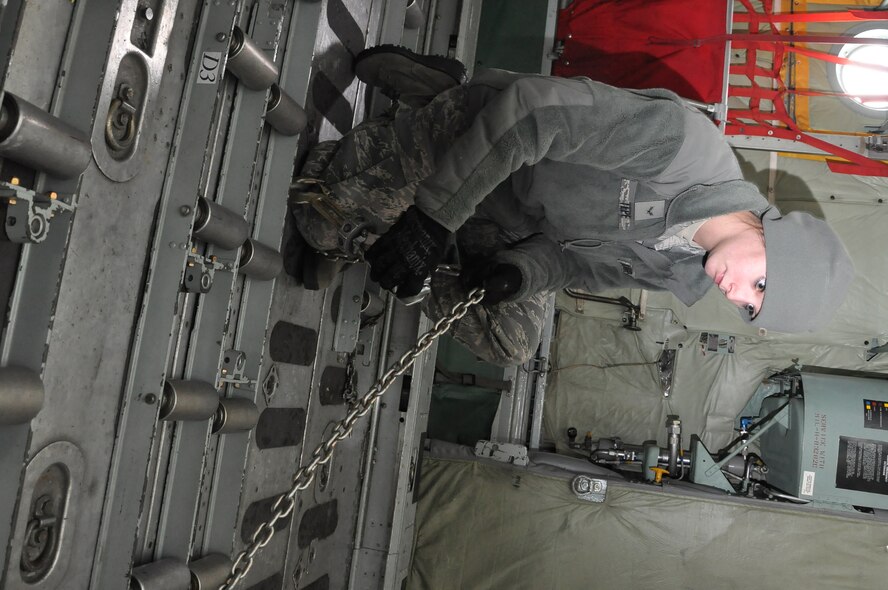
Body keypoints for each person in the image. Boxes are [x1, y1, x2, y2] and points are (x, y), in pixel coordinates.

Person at [288, 46, 855, 366]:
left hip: (501, 217)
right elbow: (534, 113)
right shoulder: (686, 149)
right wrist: (433, 216)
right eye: (761, 284)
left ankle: (380, 238)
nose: (737, 296)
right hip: (486, 136)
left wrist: (519, 272)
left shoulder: (680, 270)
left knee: (511, 341)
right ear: (775, 239)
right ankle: (439, 93)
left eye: (749, 309)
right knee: (316, 210)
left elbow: (570, 264)